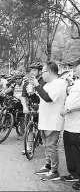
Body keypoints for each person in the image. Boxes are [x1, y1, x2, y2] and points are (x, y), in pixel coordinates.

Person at [32, 62, 67, 181]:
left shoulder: (59, 83)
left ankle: (54, 170)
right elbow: (41, 98)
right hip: (45, 120)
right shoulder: (48, 84)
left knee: (51, 146)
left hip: (53, 120)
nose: (41, 75)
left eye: (42, 72)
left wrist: (37, 85)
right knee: (46, 145)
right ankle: (47, 165)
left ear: (50, 72)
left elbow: (48, 98)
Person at [59, 58, 80, 189]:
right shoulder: (76, 83)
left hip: (78, 125)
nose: (74, 68)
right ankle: (73, 174)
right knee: (69, 149)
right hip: (69, 124)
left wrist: (69, 109)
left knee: (77, 150)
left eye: (76, 66)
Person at [1, 71, 26, 140]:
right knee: (6, 110)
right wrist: (3, 93)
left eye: (19, 78)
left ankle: (21, 133)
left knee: (22, 119)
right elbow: (9, 89)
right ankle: (8, 122)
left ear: (22, 79)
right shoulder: (14, 84)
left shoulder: (25, 85)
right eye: (16, 79)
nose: (17, 80)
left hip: (22, 102)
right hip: (15, 101)